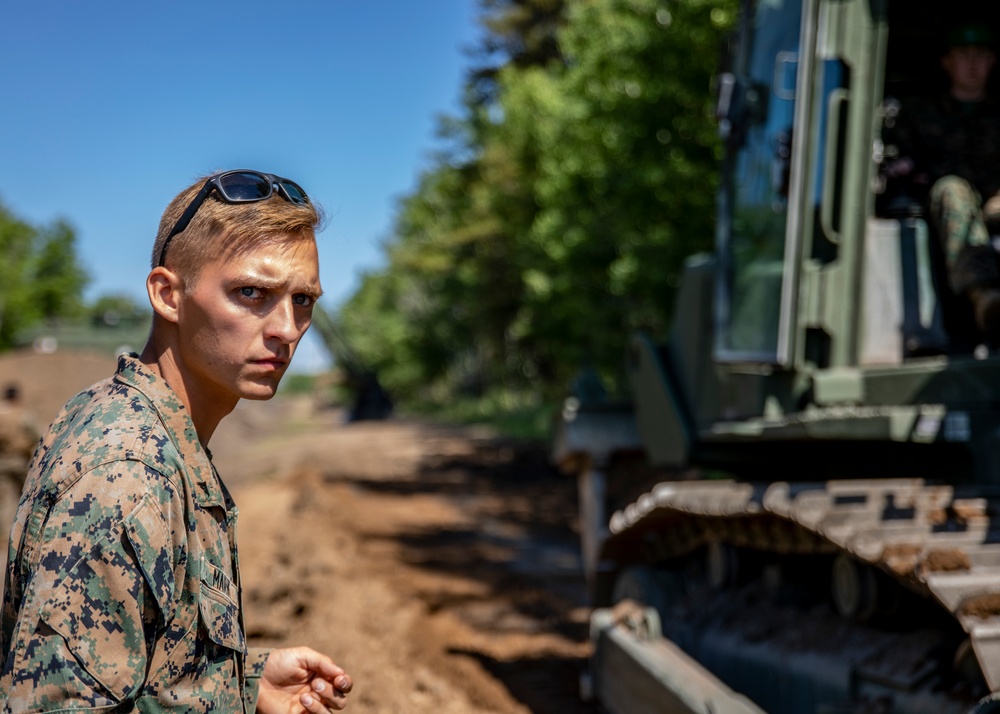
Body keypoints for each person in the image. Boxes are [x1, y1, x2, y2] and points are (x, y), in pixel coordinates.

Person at [0, 170, 353, 712]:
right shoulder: (128, 471)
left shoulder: (148, 427)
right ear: (168, 294)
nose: (287, 327)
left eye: (302, 299)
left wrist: (244, 684)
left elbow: (134, 672)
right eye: (251, 292)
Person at [891, 22, 1000, 343]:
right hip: (947, 206)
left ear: (992, 61)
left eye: (980, 55)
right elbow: (899, 163)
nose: (972, 64)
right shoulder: (919, 113)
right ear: (947, 62)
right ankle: (985, 297)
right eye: (963, 55)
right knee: (952, 189)